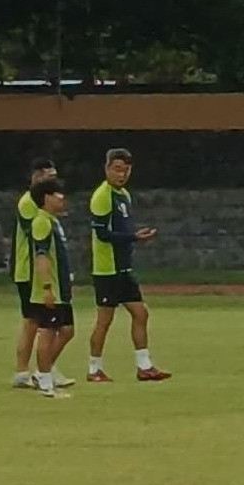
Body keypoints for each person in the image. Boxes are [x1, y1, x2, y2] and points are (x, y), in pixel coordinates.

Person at [85, 148, 168, 382]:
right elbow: (102, 234)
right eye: (117, 169)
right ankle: (94, 369)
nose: (122, 175)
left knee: (140, 313)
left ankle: (144, 366)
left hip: (123, 268)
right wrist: (133, 238)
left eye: (126, 170)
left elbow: (120, 230)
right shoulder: (102, 196)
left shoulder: (124, 195)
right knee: (105, 320)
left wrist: (134, 234)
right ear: (107, 169)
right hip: (107, 269)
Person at [10, 156, 72, 390]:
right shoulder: (29, 204)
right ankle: (32, 371)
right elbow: (36, 238)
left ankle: (35, 370)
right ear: (37, 177)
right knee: (35, 322)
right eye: (49, 178)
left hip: (38, 272)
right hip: (29, 271)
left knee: (39, 323)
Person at [26, 180, 78, 398]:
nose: (62, 198)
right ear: (46, 198)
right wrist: (47, 287)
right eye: (58, 194)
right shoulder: (41, 222)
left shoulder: (53, 221)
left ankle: (42, 372)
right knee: (47, 333)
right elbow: (41, 256)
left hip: (61, 289)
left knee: (67, 330)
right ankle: (46, 383)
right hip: (50, 289)